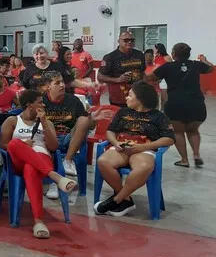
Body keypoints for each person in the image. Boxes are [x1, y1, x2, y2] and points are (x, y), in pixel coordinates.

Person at [0, 90, 79, 239]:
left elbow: (54, 147)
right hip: (17, 162)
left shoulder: (47, 122)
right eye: (40, 102)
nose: (43, 104)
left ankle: (38, 221)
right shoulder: (12, 121)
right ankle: (55, 177)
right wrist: (24, 144)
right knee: (15, 144)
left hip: (42, 158)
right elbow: (3, 144)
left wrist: (43, 123)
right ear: (29, 104)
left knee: (30, 168)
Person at [94, 81, 175, 217]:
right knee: (103, 161)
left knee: (143, 167)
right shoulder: (123, 112)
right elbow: (110, 131)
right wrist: (115, 143)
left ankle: (117, 200)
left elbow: (169, 139)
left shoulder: (159, 116)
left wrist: (143, 147)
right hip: (121, 147)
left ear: (140, 99)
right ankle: (126, 199)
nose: (126, 97)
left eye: (130, 95)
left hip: (144, 149)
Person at [146, 43, 214, 168]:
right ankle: (196, 155)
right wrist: (205, 60)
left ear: (173, 54)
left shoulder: (168, 67)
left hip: (176, 105)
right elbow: (211, 68)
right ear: (188, 54)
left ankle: (184, 160)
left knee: (178, 132)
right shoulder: (196, 65)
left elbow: (150, 77)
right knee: (193, 131)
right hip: (197, 104)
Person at [41, 72, 98, 198]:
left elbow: (90, 126)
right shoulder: (41, 101)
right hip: (49, 138)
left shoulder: (73, 100)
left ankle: (68, 160)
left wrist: (93, 118)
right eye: (57, 83)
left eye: (62, 82)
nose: (62, 85)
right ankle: (54, 182)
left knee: (83, 119)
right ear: (48, 86)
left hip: (69, 138)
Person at [21, 44, 94, 94]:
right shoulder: (30, 68)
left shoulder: (57, 66)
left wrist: (89, 85)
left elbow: (71, 81)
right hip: (37, 102)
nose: (39, 56)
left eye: (41, 53)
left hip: (56, 101)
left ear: (47, 53)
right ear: (33, 56)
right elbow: (25, 85)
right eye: (36, 54)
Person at [98, 32, 146, 108]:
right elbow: (100, 77)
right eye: (126, 40)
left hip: (137, 94)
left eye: (132, 40)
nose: (129, 42)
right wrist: (118, 79)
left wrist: (144, 87)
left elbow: (143, 72)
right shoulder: (110, 57)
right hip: (118, 97)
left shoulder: (139, 55)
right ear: (119, 41)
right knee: (121, 117)